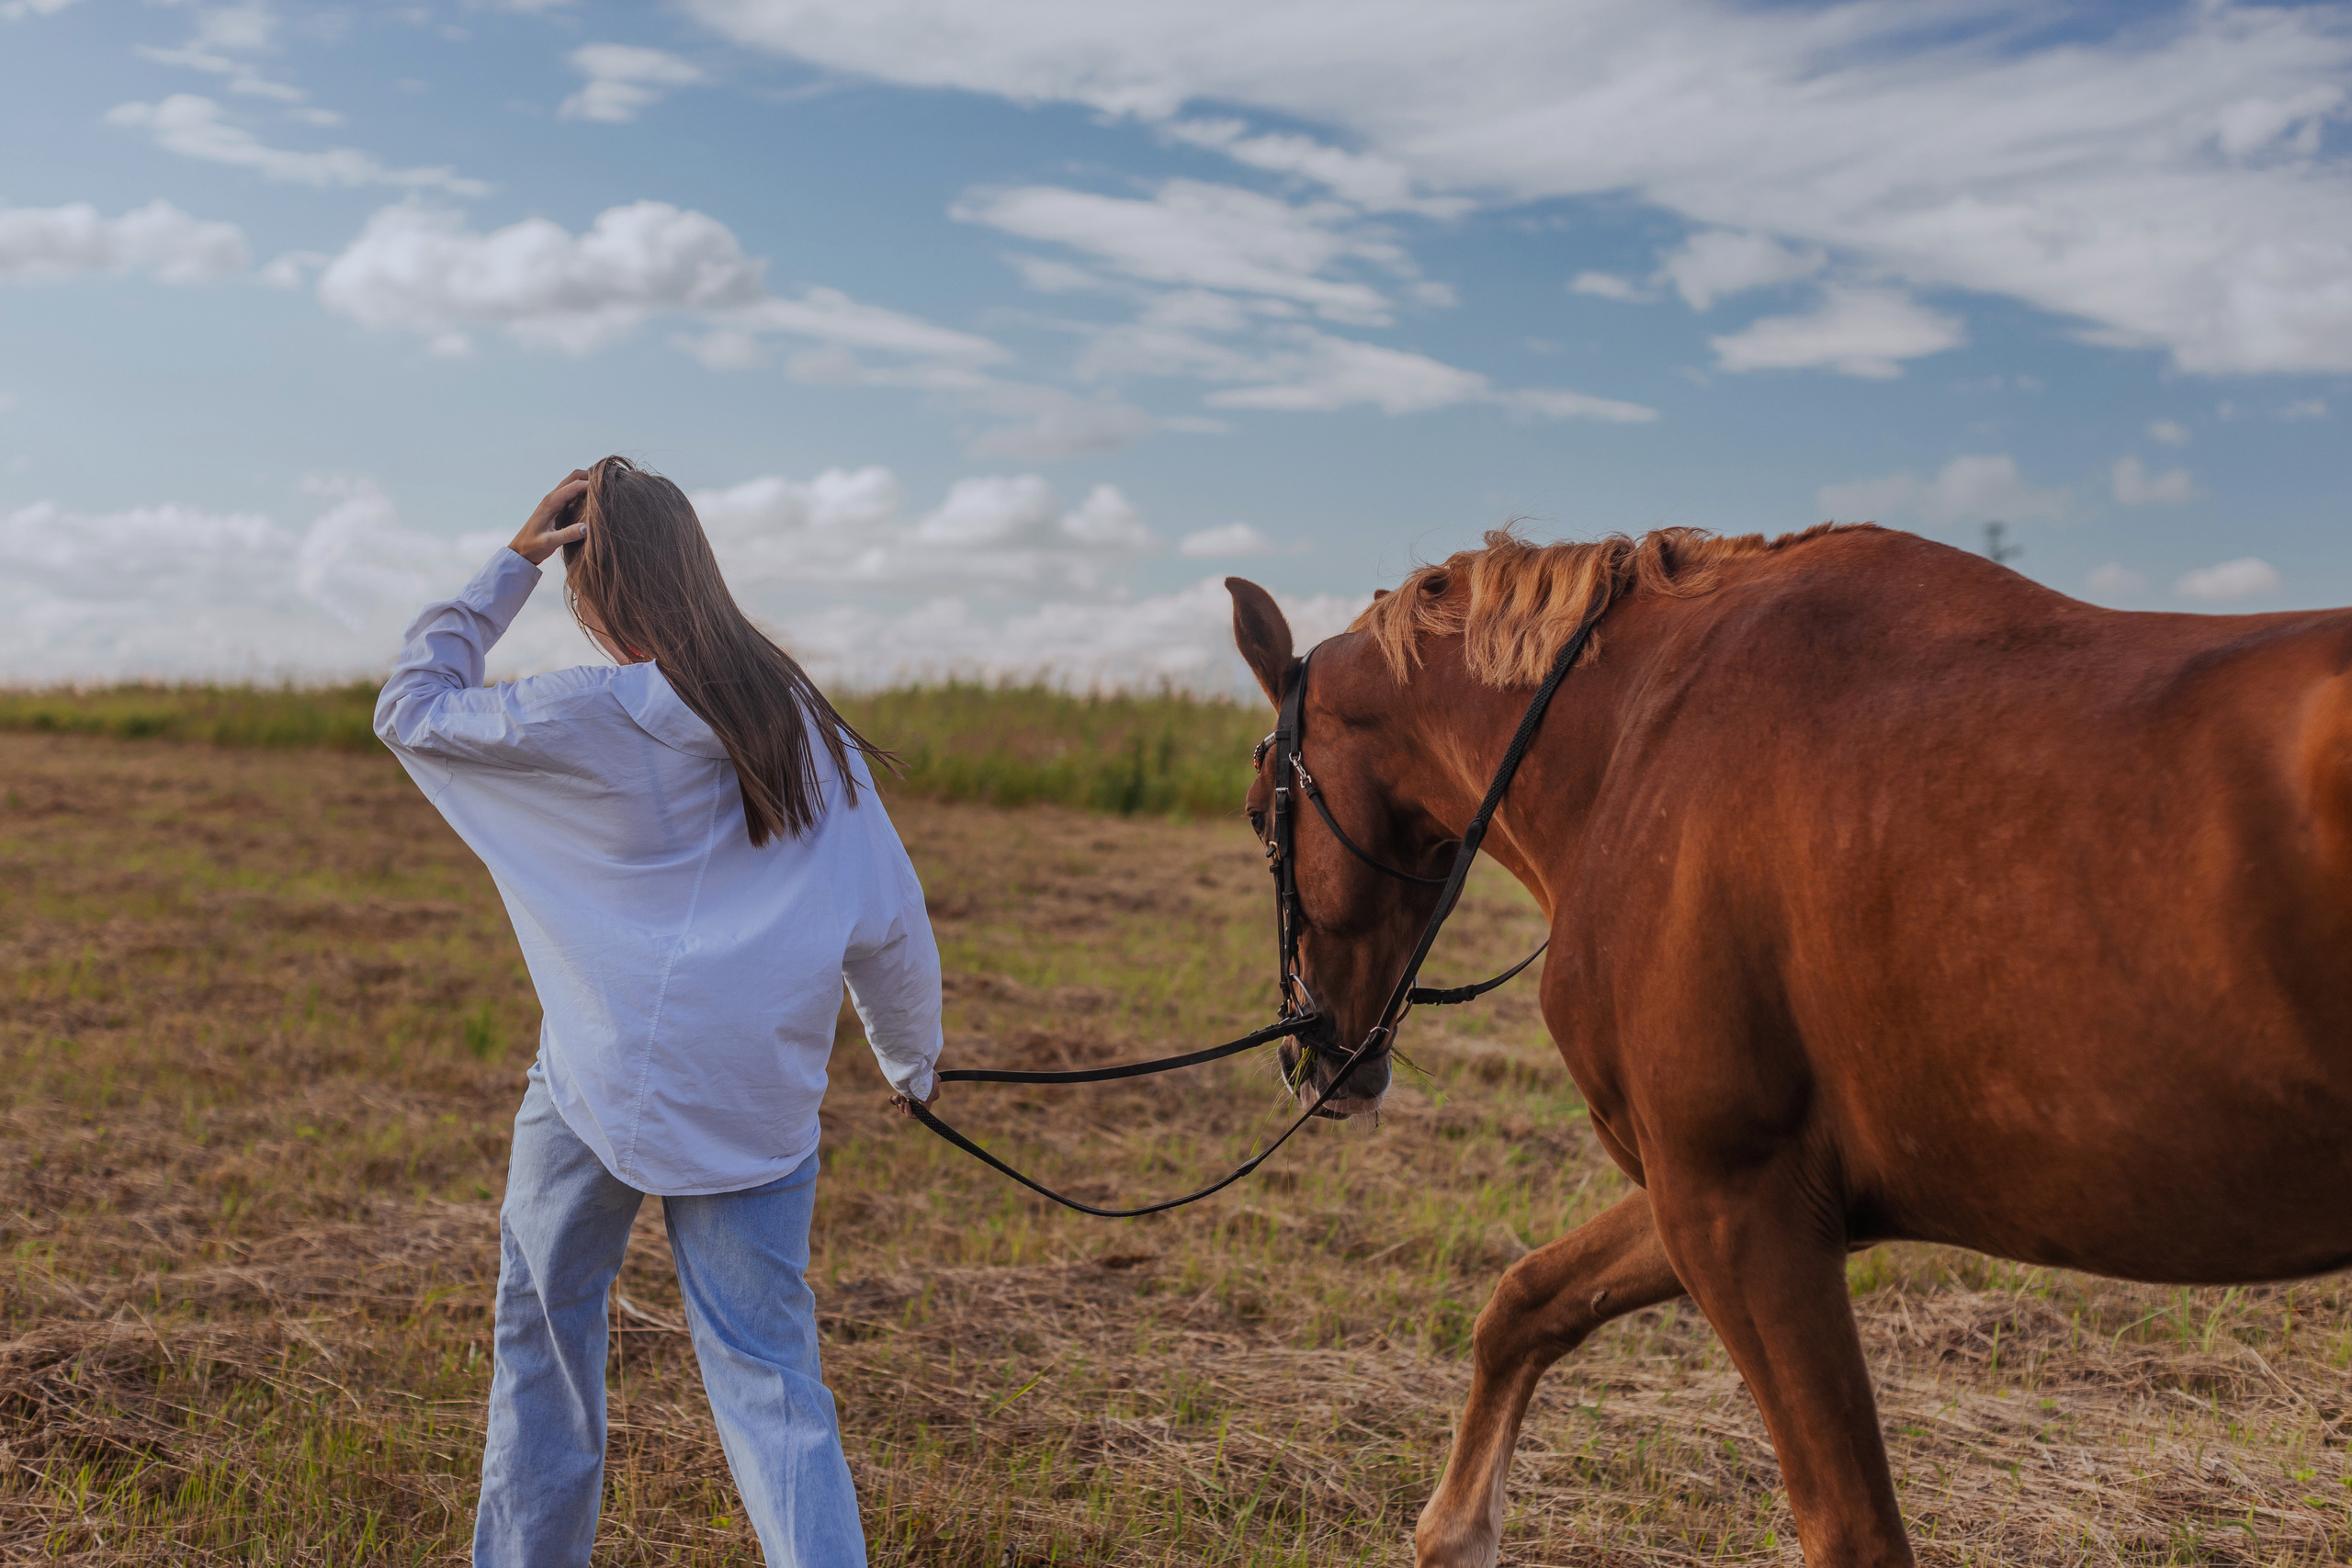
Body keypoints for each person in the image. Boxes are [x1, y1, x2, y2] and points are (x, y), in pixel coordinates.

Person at [374, 457, 943, 1567]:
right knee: (772, 1381)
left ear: (598, 588)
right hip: (753, 1101)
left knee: (543, 1330)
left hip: (596, 1075)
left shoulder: (593, 712)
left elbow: (411, 707)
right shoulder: (810, 730)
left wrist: (510, 565)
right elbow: (892, 922)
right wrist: (911, 1065)